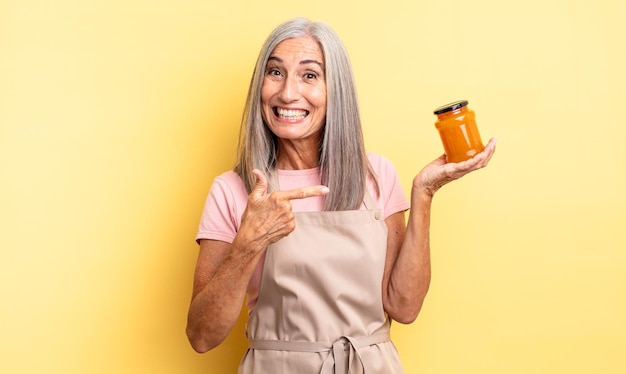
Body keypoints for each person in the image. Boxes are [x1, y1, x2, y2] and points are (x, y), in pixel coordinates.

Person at [186, 17, 496, 373]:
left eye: (309, 75)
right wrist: (249, 243)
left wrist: (424, 193)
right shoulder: (233, 190)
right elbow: (201, 336)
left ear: (337, 90)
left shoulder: (377, 175)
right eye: (275, 72)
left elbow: (404, 307)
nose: (287, 93)